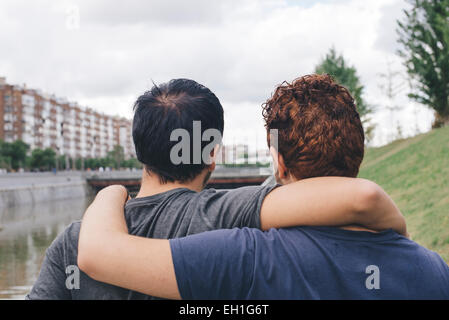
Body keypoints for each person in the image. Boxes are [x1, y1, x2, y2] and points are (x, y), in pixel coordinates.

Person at [28, 77, 405, 300]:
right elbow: (359, 198)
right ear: (212, 155)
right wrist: (397, 230)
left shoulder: (74, 240)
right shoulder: (228, 214)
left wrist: (108, 194)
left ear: (139, 149)